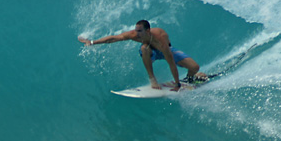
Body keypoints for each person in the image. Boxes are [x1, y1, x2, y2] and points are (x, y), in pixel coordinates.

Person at [79, 20, 207, 91]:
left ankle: (189, 79)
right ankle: (152, 79)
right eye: (136, 30)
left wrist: (177, 84)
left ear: (147, 31)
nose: (136, 33)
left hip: (166, 50)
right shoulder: (134, 35)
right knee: (144, 48)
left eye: (139, 31)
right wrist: (91, 42)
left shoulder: (160, 39)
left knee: (195, 67)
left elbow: (171, 63)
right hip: (150, 51)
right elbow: (113, 38)